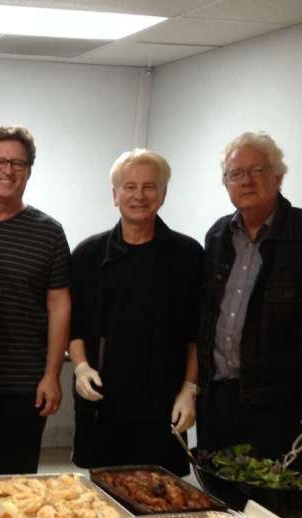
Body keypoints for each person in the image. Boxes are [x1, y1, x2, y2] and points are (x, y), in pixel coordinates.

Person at [197, 132, 302, 466]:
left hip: (281, 408)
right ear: (226, 184)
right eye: (235, 174)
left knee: (270, 506)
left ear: (279, 176)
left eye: (257, 170)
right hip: (219, 400)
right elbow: (206, 317)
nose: (246, 181)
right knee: (218, 501)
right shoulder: (218, 235)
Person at [69, 149, 202, 476]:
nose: (139, 196)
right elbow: (74, 325)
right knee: (100, 500)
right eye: (129, 187)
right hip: (102, 402)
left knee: (161, 498)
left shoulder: (188, 256)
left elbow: (197, 333)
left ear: (164, 194)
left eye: (149, 187)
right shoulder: (88, 254)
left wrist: (190, 389)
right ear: (115, 195)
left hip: (164, 405)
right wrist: (81, 367)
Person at [0, 126, 71, 476]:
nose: (8, 170)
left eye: (18, 163)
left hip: (24, 386)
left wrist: (52, 375)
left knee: (17, 488)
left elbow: (59, 306)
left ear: (29, 171)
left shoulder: (49, 232)